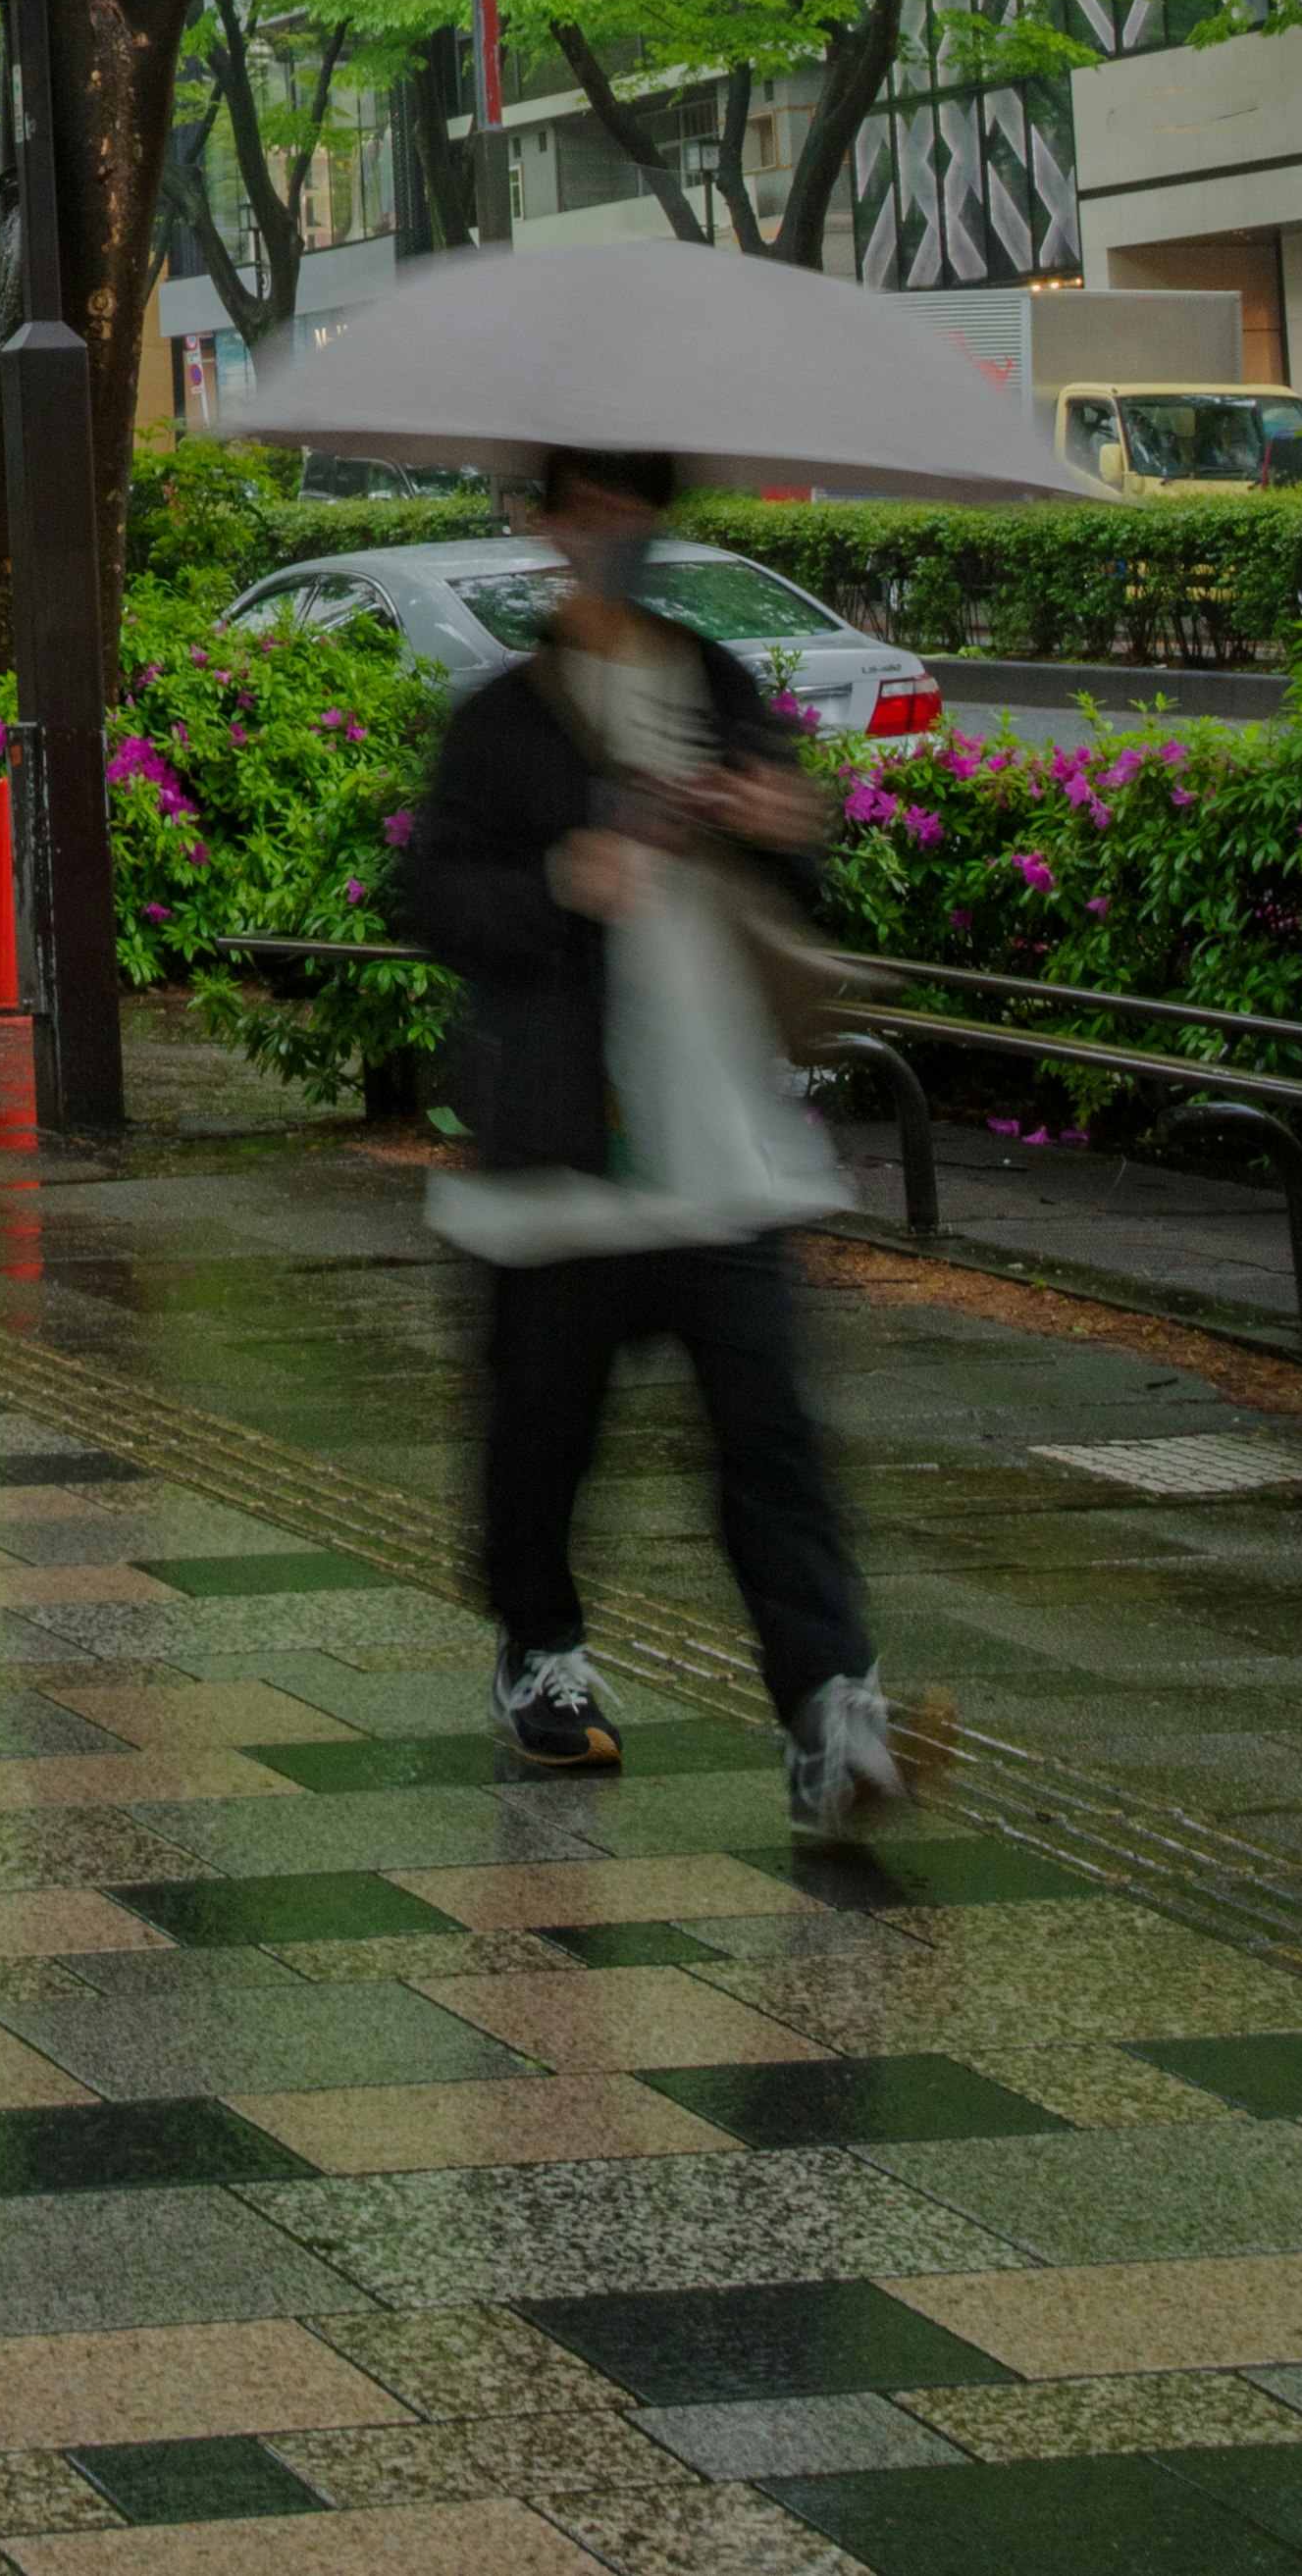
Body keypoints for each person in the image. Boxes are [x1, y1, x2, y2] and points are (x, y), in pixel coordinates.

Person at [395, 443, 905, 1844]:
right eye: (590, 505)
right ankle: (539, 1641)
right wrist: (569, 876)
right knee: (543, 1435)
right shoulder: (503, 719)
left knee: (770, 1441)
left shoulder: (719, 685)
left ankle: (826, 1707)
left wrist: (781, 821)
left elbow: (800, 875)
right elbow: (430, 894)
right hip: (566, 1149)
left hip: (723, 1144)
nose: (613, 529)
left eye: (637, 505)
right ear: (551, 522)